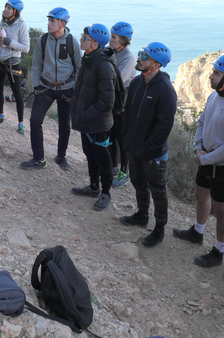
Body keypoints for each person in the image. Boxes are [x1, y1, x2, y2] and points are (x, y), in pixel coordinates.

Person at [172, 54, 224, 267]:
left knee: (222, 210)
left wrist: (204, 158)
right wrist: (198, 147)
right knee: (201, 196)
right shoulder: (215, 96)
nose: (210, 76)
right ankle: (197, 232)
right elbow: (201, 122)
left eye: (216, 73)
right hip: (206, 158)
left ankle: (218, 251)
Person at [118, 42, 177, 247]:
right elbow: (127, 113)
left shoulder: (166, 90)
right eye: (142, 53)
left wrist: (150, 147)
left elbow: (164, 126)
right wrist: (126, 137)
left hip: (153, 154)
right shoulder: (136, 83)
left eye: (145, 56)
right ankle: (142, 215)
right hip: (134, 148)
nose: (140, 57)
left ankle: (159, 230)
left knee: (158, 191)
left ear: (156, 65)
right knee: (138, 182)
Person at [20, 8, 81, 170]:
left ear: (62, 23)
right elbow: (36, 64)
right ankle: (39, 159)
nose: (49, 23)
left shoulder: (72, 42)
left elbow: (79, 68)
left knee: (64, 125)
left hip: (67, 89)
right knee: (35, 121)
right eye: (49, 20)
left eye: (52, 21)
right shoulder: (43, 40)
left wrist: (75, 88)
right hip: (45, 87)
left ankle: (61, 157)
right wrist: (37, 85)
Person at [70, 24, 117, 211]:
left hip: (98, 122)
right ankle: (93, 187)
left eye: (85, 37)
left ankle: (106, 192)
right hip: (88, 120)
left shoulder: (104, 65)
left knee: (103, 158)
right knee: (90, 154)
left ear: (95, 43)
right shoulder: (89, 58)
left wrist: (85, 114)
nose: (81, 39)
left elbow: (107, 101)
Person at [0, 0, 30, 135]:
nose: (5, 9)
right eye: (5, 6)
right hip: (0, 61)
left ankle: (20, 124)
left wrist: (9, 42)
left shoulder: (21, 26)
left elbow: (26, 48)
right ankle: (0, 115)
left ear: (15, 11)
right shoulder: (3, 22)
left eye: (9, 8)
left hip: (13, 63)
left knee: (17, 93)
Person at [108, 22, 135, 189]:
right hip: (113, 101)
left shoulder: (129, 57)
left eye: (114, 37)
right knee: (111, 135)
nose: (110, 39)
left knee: (122, 138)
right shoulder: (112, 52)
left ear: (123, 40)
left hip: (123, 104)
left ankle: (124, 172)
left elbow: (117, 79)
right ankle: (113, 166)